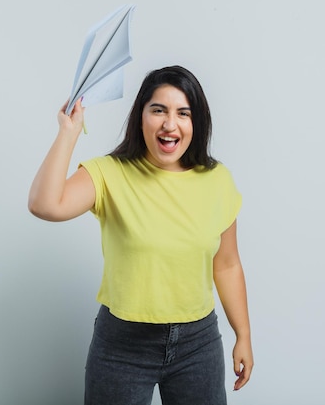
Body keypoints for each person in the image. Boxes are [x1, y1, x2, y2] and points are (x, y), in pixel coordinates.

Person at [28, 65, 253, 405]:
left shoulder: (217, 179)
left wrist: (244, 335)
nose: (169, 124)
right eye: (158, 110)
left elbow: (227, 265)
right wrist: (68, 133)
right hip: (123, 345)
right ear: (140, 117)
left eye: (183, 113)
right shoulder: (109, 173)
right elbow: (45, 205)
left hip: (198, 343)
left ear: (197, 122)